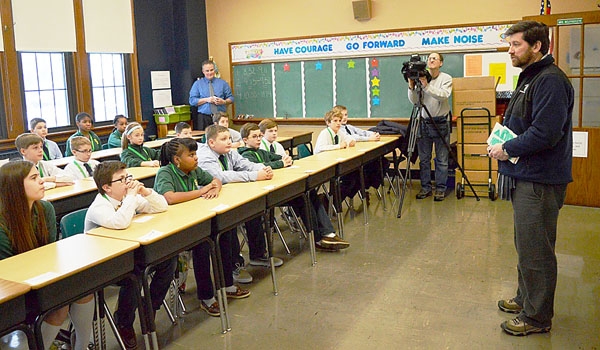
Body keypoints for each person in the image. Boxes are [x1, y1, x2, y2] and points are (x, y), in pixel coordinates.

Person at [488, 21, 574, 337]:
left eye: (516, 45)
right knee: (526, 244)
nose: (510, 50)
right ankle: (526, 298)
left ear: (536, 46)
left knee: (536, 249)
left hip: (539, 179)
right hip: (526, 176)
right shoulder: (531, 77)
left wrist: (506, 147)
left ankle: (537, 317)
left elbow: (545, 133)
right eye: (510, 45)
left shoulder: (550, 81)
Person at [0, 161, 95, 350]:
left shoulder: (45, 209)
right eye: (34, 178)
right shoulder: (2, 221)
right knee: (59, 307)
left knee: (84, 288)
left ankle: (82, 346)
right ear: (15, 186)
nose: (42, 181)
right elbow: (8, 267)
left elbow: (49, 251)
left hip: (41, 275)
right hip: (13, 289)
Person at [154, 138, 251, 316]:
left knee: (225, 233)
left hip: (195, 220)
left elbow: (216, 180)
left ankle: (227, 284)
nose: (196, 158)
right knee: (203, 246)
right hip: (173, 228)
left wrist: (215, 188)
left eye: (196, 153)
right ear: (177, 160)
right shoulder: (165, 172)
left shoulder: (193, 170)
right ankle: (206, 298)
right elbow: (170, 197)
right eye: (191, 155)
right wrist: (201, 191)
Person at [84, 161, 172, 349]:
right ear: (107, 187)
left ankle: (150, 308)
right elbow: (120, 222)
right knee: (136, 273)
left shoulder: (127, 197)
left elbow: (161, 207)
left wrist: (146, 193)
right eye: (122, 179)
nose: (128, 182)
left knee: (168, 258)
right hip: (104, 263)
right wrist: (132, 196)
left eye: (128, 177)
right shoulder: (99, 206)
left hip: (129, 253)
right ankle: (124, 321)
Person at [239, 123, 349, 251]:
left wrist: (284, 160)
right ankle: (318, 238)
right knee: (303, 197)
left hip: (275, 186)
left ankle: (328, 233)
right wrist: (280, 163)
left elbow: (281, 158)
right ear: (245, 140)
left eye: (259, 136)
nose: (258, 139)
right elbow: (262, 167)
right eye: (254, 137)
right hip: (265, 194)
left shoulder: (261, 151)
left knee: (310, 192)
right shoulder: (246, 155)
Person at [197, 125, 280, 274]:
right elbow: (221, 176)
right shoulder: (205, 156)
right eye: (223, 139)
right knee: (229, 224)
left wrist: (262, 168)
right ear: (211, 143)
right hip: (209, 201)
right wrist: (254, 176)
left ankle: (258, 255)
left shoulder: (229, 152)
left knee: (254, 211)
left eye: (229, 138)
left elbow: (244, 164)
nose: (229, 142)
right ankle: (234, 266)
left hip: (228, 194)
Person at [408, 52, 452, 202]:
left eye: (435, 58)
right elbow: (415, 101)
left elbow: (443, 95)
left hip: (440, 123)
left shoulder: (446, 78)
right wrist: (411, 86)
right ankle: (425, 188)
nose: (431, 60)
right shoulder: (421, 76)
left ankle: (440, 189)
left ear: (441, 63)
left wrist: (426, 85)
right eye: (429, 58)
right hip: (423, 122)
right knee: (424, 159)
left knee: (441, 159)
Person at [333, 104, 388, 192]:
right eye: (341, 116)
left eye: (346, 115)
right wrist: (369, 139)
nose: (344, 118)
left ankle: (365, 187)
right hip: (345, 160)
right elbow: (352, 137)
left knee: (382, 162)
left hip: (354, 156)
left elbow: (361, 132)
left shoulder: (349, 127)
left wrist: (373, 134)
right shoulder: (338, 129)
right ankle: (362, 188)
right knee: (358, 174)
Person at [314, 109, 360, 201]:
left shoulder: (339, 132)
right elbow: (321, 148)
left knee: (356, 174)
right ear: (328, 122)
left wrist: (350, 141)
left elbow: (349, 138)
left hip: (335, 162)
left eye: (339, 121)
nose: (338, 123)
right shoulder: (325, 133)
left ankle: (334, 201)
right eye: (335, 121)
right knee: (350, 177)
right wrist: (339, 146)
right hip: (322, 165)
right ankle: (332, 201)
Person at [189, 59, 234, 130]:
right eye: (207, 71)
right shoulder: (197, 84)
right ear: (203, 71)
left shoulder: (222, 83)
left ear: (214, 70)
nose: (210, 73)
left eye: (211, 70)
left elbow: (231, 98)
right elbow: (192, 101)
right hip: (204, 117)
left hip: (220, 117)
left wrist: (224, 102)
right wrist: (207, 100)